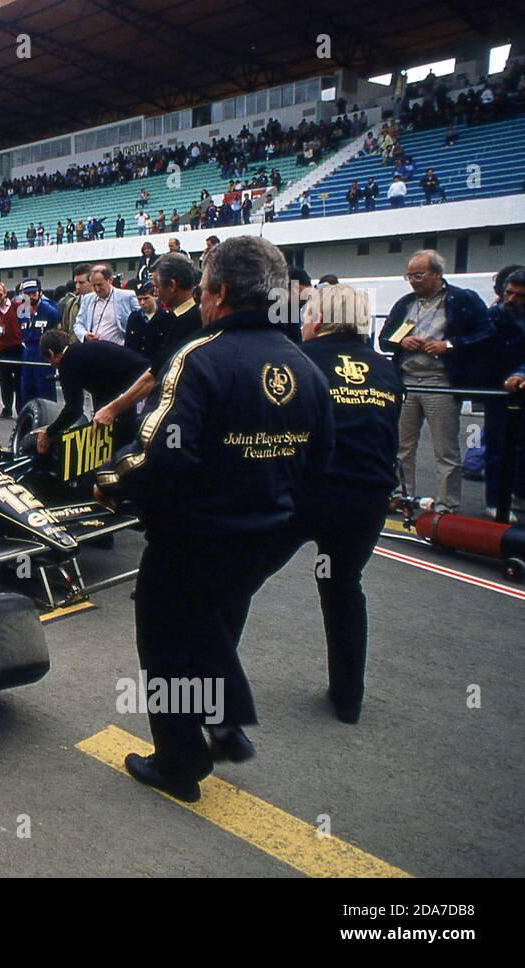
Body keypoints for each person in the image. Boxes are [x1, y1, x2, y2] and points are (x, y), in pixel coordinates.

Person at [94, 236, 333, 802]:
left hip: (194, 536)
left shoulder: (200, 357)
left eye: (202, 291)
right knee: (213, 626)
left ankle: (182, 761)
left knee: (164, 641)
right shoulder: (307, 366)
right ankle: (223, 725)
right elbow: (320, 463)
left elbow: (162, 456)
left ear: (221, 293)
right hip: (265, 537)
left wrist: (109, 481)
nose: (199, 303)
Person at [262, 284, 403, 722]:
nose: (302, 321)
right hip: (366, 498)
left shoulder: (296, 361)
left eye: (306, 315)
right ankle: (348, 701)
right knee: (343, 589)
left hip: (304, 493)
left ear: (320, 321)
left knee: (238, 579)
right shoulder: (386, 371)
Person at [380, 249, 491, 511]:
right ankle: (401, 495)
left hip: (441, 381)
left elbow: (486, 333)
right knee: (402, 447)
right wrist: (401, 340)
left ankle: (447, 504)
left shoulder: (463, 300)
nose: (413, 281)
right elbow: (385, 339)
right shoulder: (405, 303)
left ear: (437, 274)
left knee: (445, 450)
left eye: (418, 275)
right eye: (408, 276)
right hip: (406, 380)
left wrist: (449, 345)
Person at [36, 329, 150, 455]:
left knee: (121, 442)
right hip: (145, 374)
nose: (51, 365)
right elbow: (101, 390)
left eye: (48, 360)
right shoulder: (83, 351)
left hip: (142, 384)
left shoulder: (67, 362)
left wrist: (50, 432)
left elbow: (74, 409)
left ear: (50, 353)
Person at [484, 267, 525, 519]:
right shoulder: (494, 315)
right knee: (497, 446)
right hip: (499, 390)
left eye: (520, 296)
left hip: (519, 383)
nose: (512, 299)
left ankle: (519, 494)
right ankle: (495, 501)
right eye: (509, 293)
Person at [15, 279, 61, 407]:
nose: (30, 297)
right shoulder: (21, 311)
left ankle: (48, 422)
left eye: (33, 293)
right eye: (27, 294)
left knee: (45, 390)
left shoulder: (50, 311)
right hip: (27, 353)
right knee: (27, 389)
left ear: (40, 293)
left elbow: (57, 332)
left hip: (44, 354)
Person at [73, 265, 137, 345]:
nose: (97, 289)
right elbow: (78, 324)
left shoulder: (128, 296)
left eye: (100, 285)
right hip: (94, 350)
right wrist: (85, 334)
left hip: (119, 351)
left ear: (110, 280)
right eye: (94, 285)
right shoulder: (87, 299)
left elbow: (140, 320)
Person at [0, 281, 23, 419]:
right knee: (5, 381)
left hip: (18, 349)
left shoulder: (18, 307)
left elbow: (26, 324)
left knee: (20, 380)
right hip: (2, 351)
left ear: (5, 294)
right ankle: (7, 408)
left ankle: (21, 410)